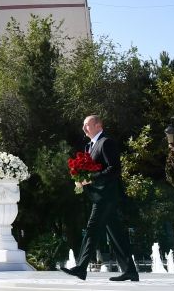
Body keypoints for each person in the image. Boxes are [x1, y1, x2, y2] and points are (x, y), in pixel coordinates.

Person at [61, 115, 139, 282]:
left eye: (87, 125)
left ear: (98, 125)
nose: (84, 128)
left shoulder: (106, 142)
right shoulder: (90, 145)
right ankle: (130, 271)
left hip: (107, 197)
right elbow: (93, 169)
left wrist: (92, 178)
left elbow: (114, 169)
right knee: (116, 234)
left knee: (91, 229)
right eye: (83, 125)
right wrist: (81, 179)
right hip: (99, 195)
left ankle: (81, 268)